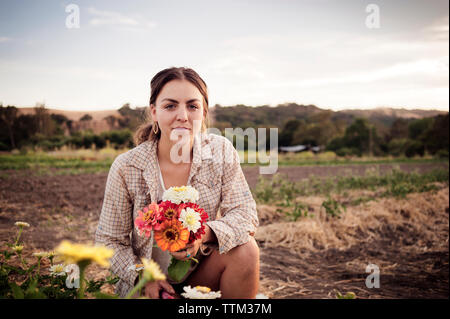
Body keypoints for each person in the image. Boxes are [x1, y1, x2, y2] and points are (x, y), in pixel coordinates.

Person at [95, 67, 260, 299]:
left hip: (202, 276)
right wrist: (145, 278)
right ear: (154, 111)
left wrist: (205, 234)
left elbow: (245, 214)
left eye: (192, 106)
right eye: (170, 106)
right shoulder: (127, 166)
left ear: (203, 112)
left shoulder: (221, 151)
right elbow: (108, 241)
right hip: (148, 287)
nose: (182, 115)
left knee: (246, 251)